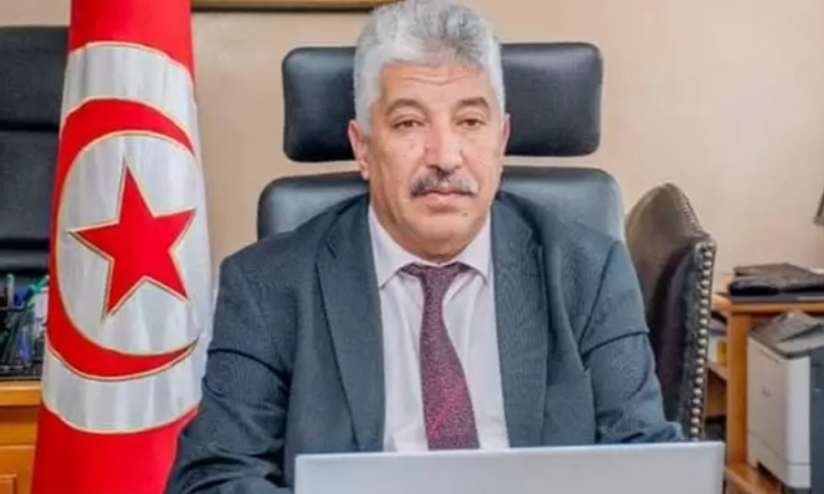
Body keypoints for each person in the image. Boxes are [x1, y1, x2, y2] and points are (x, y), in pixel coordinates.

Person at [166, 0, 682, 492]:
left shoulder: (588, 272)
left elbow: (645, 462)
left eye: (470, 122)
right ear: (363, 148)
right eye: (409, 123)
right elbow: (213, 478)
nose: (445, 157)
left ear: (501, 142)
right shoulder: (268, 286)